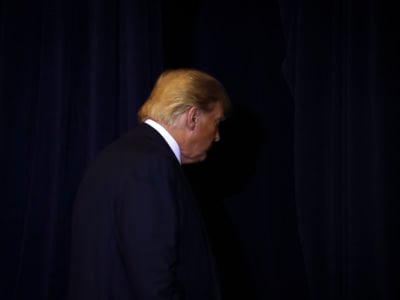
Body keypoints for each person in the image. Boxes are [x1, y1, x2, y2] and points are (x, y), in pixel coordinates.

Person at [67, 68, 232, 300]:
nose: (217, 136)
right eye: (216, 121)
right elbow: (153, 279)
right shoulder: (151, 165)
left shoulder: (118, 155)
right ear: (193, 117)